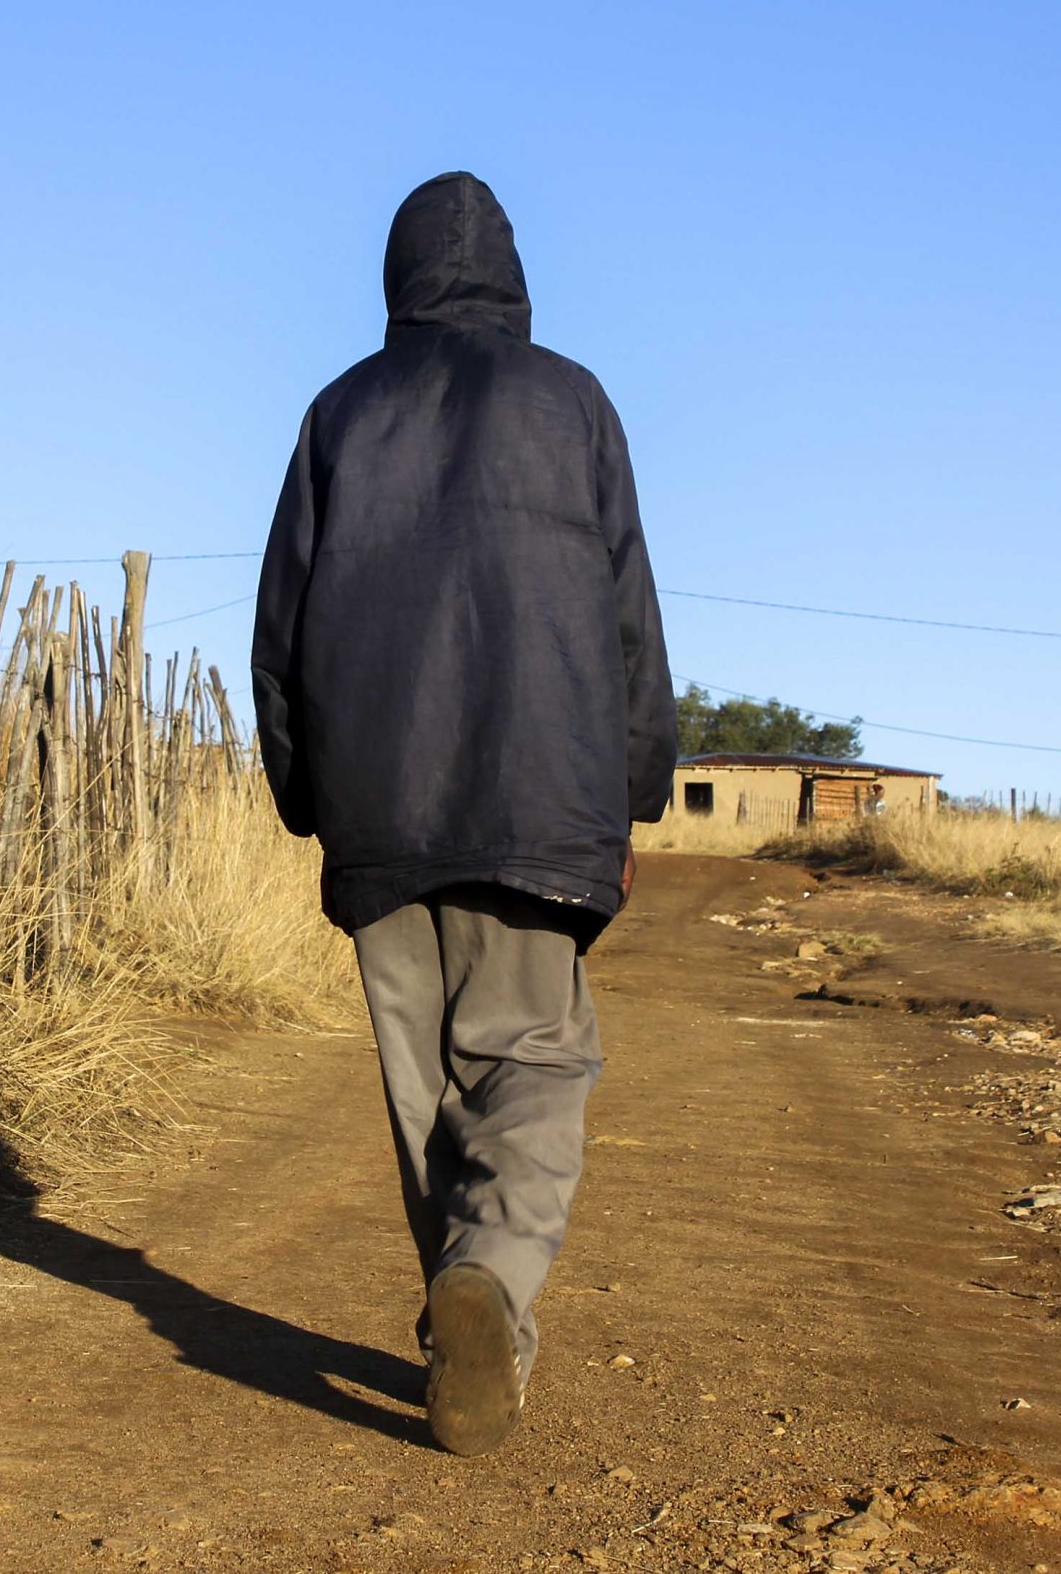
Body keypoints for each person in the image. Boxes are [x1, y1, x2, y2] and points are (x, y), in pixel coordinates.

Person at [251, 171, 676, 1456]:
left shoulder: (339, 412)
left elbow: (279, 631)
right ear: (511, 274)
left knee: (423, 1095)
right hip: (541, 807)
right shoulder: (572, 404)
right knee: (532, 1066)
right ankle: (488, 1287)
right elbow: (624, 618)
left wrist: (306, 793)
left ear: (396, 280)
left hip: (380, 819)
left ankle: (468, 1320)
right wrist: (636, 779)